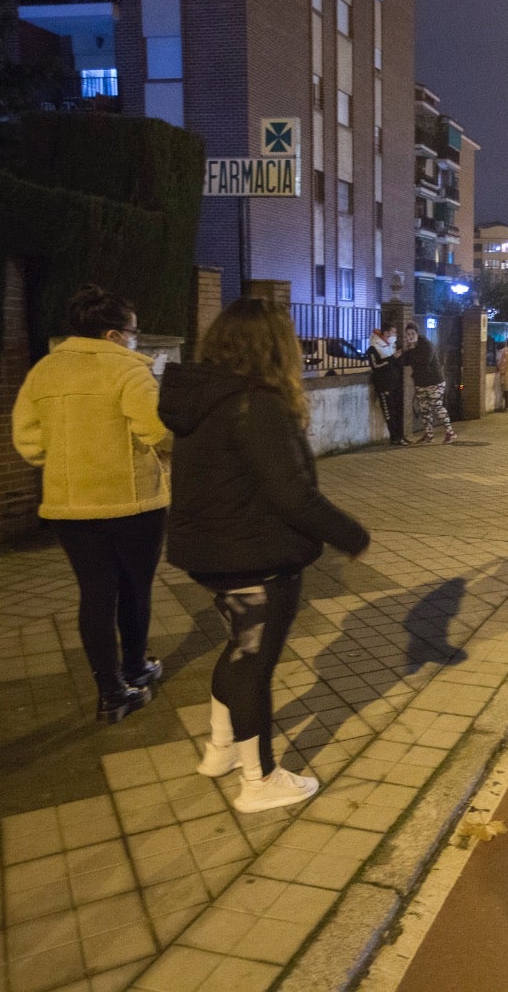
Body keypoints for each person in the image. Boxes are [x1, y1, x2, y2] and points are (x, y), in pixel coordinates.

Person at [158, 299, 370, 813]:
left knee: (237, 650)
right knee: (254, 662)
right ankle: (260, 780)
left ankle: (221, 749)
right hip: (254, 555)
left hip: (212, 551)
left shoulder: (203, 397)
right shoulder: (256, 403)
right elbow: (292, 494)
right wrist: (352, 536)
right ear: (272, 346)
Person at [13, 285, 170, 723]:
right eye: (132, 331)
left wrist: (66, 463)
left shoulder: (44, 371)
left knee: (95, 596)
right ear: (112, 335)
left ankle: (111, 692)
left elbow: (27, 441)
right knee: (134, 588)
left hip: (70, 507)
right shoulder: (129, 371)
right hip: (134, 503)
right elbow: (156, 431)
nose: (135, 339)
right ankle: (136, 667)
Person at [402, 323, 456, 444]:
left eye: (412, 334)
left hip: (434, 381)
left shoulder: (426, 345)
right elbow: (405, 362)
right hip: (420, 383)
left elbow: (425, 360)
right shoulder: (411, 348)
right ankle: (428, 434)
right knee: (424, 409)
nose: (410, 336)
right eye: (408, 334)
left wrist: (412, 350)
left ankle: (450, 433)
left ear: (417, 334)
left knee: (437, 407)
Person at [366, 323, 406, 444]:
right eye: (393, 332)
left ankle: (400, 436)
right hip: (384, 385)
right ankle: (394, 438)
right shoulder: (374, 348)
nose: (395, 335)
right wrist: (392, 358)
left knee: (399, 410)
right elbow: (376, 366)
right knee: (390, 412)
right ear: (386, 333)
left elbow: (395, 365)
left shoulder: (391, 345)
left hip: (395, 384)